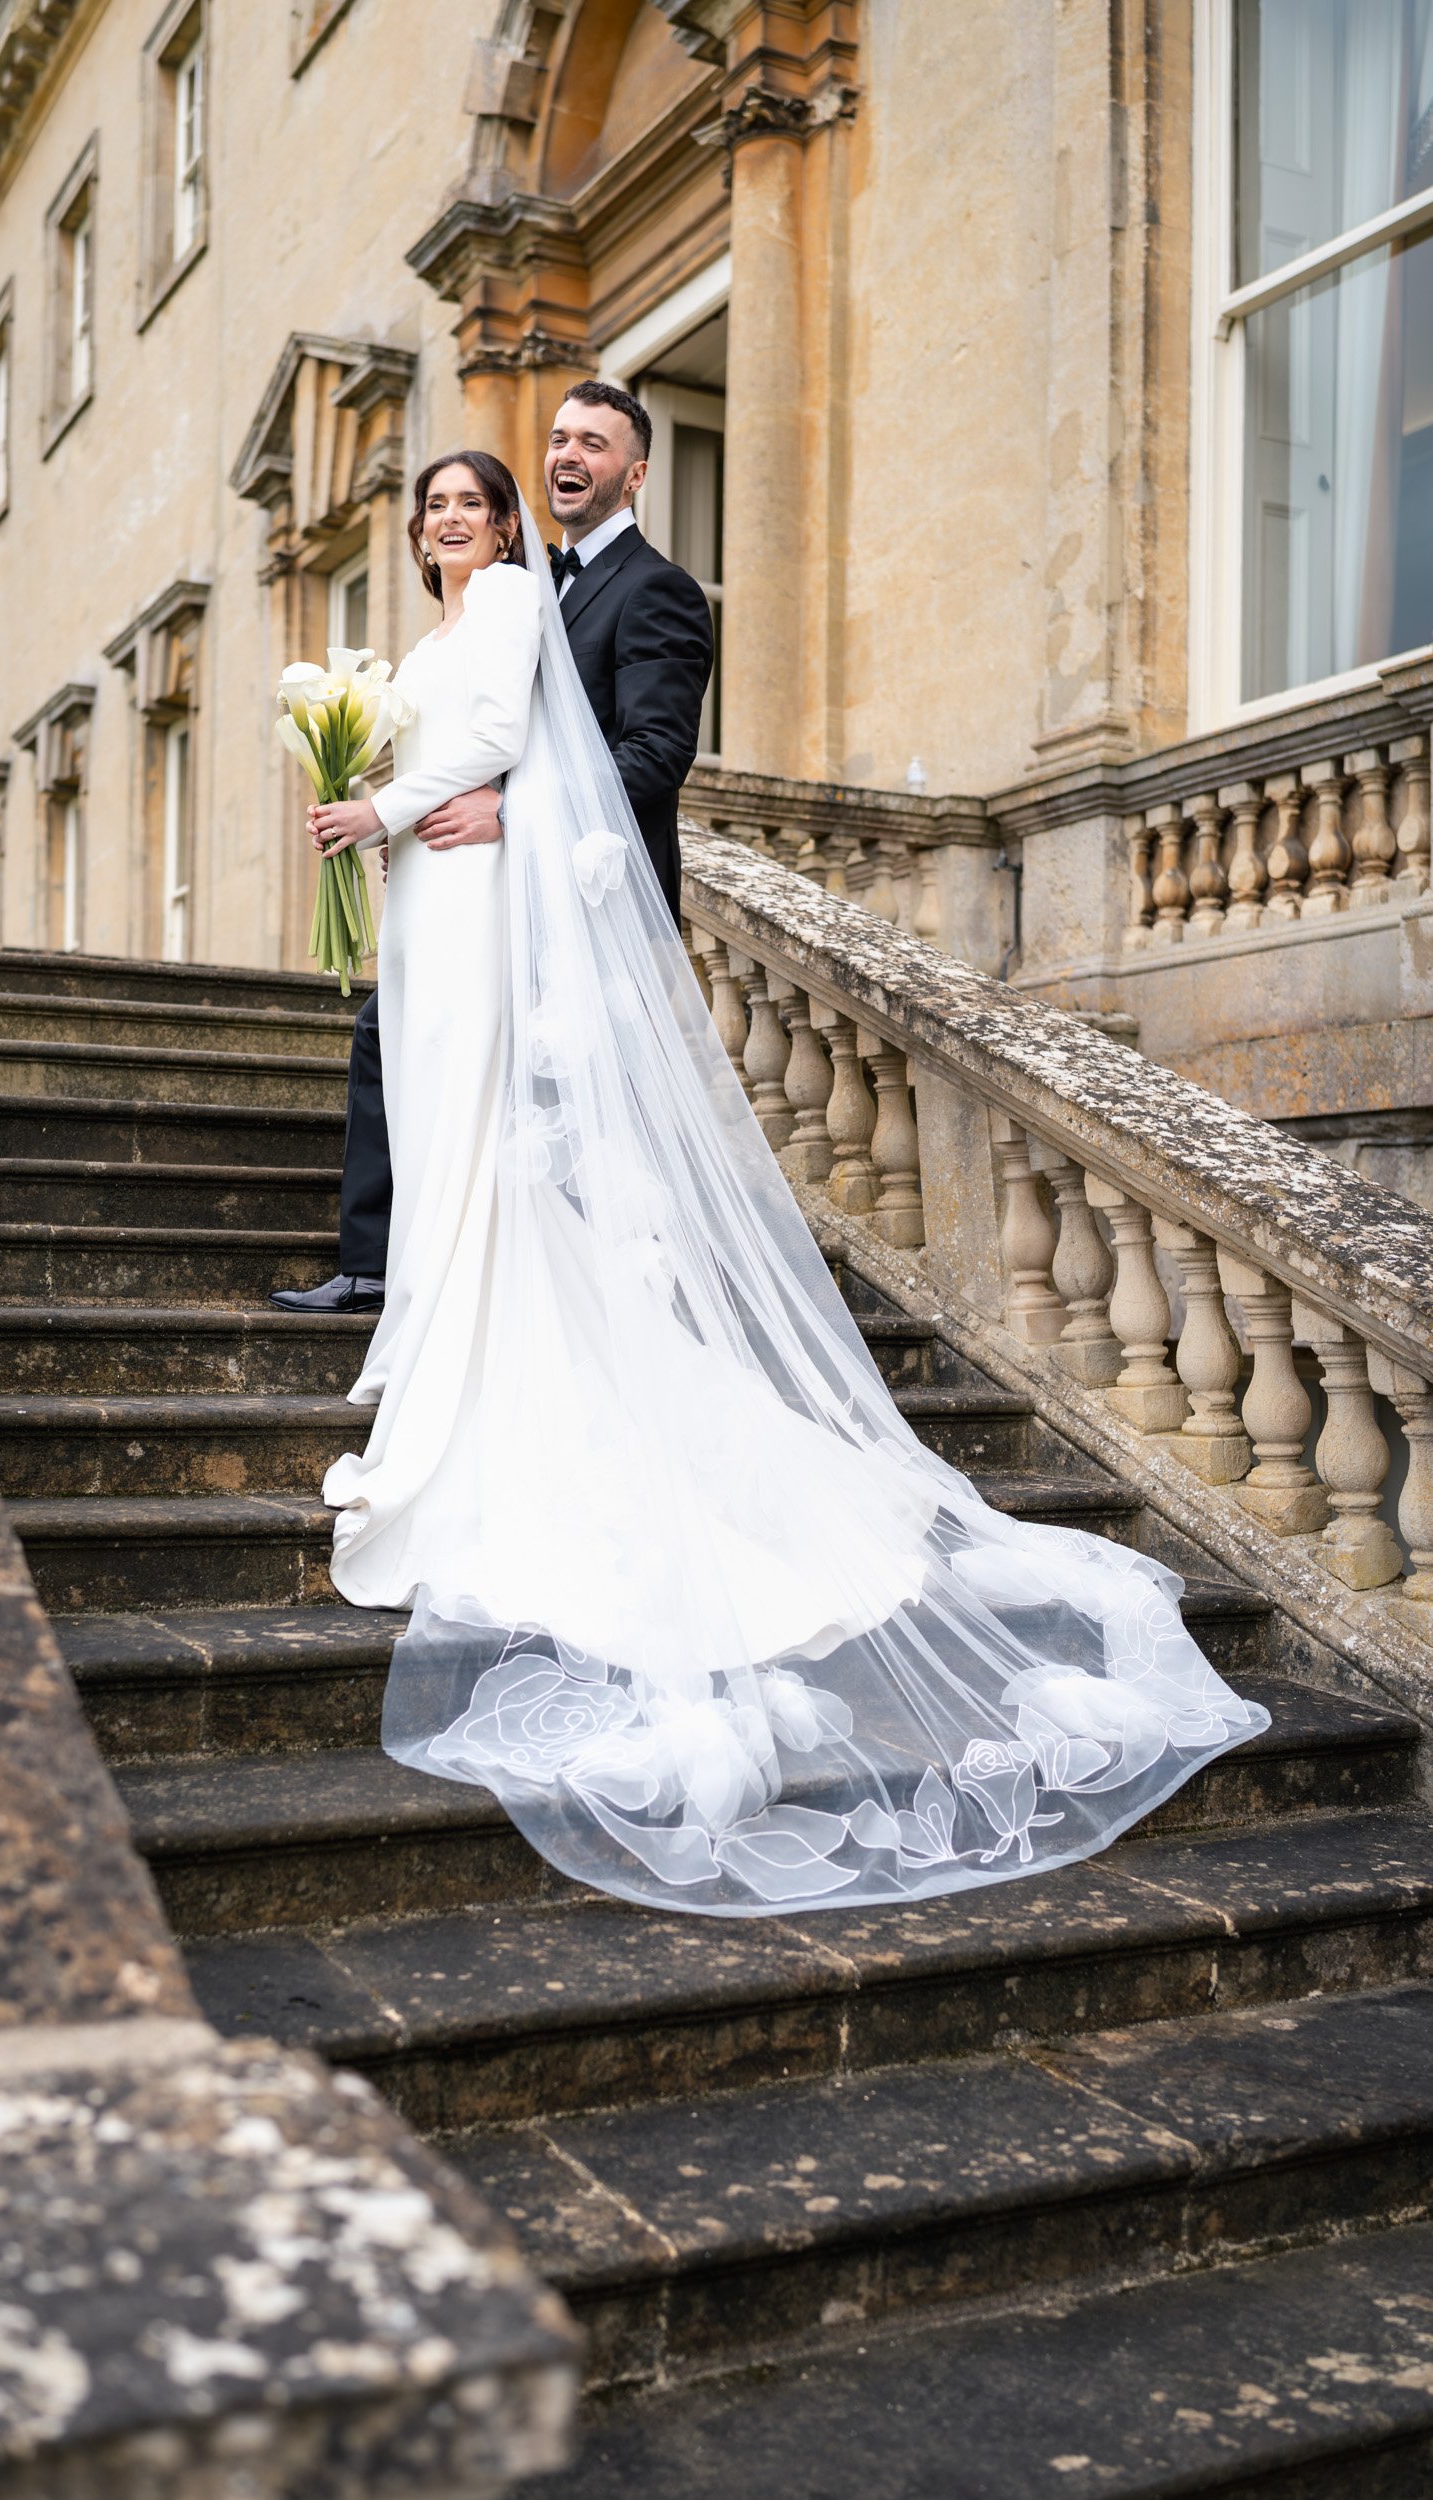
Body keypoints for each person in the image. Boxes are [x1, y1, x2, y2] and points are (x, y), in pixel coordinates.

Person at [289, 445, 1270, 1920]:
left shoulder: (503, 606)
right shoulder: (435, 624)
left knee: (484, 1150)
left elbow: (514, 735)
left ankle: (467, 1376)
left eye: (468, 501)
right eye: (429, 502)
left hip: (475, 890)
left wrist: (379, 810)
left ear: (499, 524)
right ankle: (427, 1345)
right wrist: (355, 783)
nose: (448, 518)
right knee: (434, 1145)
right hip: (424, 904)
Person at [271, 381, 713, 1317]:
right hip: (483, 880)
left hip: (582, 895)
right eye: (558, 437)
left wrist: (503, 816)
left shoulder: (658, 591)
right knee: (398, 1042)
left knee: (559, 1115)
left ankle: (582, 1308)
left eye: (593, 444)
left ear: (633, 474)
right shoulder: (526, 587)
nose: (569, 454)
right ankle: (387, 1265)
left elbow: (652, 758)